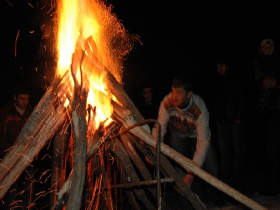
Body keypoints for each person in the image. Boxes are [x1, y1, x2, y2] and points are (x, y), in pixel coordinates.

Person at [152, 74, 223, 209]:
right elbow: (160, 128)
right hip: (178, 135)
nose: (174, 96)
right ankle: (187, 206)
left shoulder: (199, 108)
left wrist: (191, 174)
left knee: (212, 167)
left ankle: (211, 196)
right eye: (173, 91)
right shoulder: (166, 103)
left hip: (197, 136)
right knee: (180, 172)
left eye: (178, 93)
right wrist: (153, 149)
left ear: (189, 94)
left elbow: (203, 143)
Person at [213, 58, 247, 191]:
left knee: (237, 154)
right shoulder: (217, 81)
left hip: (234, 122)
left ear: (227, 66)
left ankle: (240, 186)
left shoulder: (236, 79)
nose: (219, 69)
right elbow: (216, 102)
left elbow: (242, 98)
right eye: (217, 67)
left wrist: (238, 117)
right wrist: (217, 118)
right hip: (222, 123)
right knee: (225, 155)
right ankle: (228, 187)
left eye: (221, 66)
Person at [0, 86, 34, 209]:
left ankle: (25, 208)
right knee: (10, 188)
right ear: (15, 98)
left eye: (27, 99)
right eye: (21, 98)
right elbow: (1, 135)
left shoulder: (32, 113)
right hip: (9, 156)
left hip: (27, 157)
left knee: (27, 187)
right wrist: (5, 153)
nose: (24, 101)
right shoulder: (6, 112)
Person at [254, 39, 280, 196]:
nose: (267, 48)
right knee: (270, 150)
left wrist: (276, 83)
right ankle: (273, 185)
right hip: (268, 112)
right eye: (264, 46)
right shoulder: (259, 62)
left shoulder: (277, 60)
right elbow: (257, 84)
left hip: (277, 109)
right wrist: (262, 84)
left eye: (269, 45)